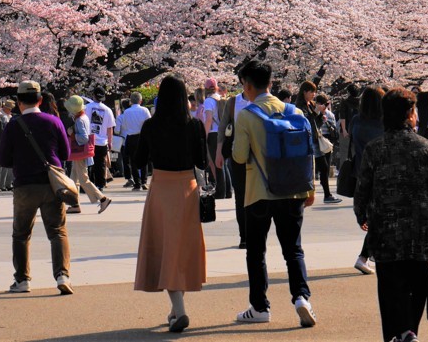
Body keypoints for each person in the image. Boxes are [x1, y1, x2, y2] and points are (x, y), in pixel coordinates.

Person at [354, 87, 428, 342]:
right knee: (417, 284)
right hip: (420, 227)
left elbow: (362, 188)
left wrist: (361, 215)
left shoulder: (374, 148)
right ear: (410, 114)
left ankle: (395, 335)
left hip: (385, 227)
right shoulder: (426, 147)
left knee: (389, 285)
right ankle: (410, 330)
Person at [231, 61, 317, 328]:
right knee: (294, 250)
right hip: (293, 191)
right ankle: (302, 298)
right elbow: (308, 152)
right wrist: (310, 186)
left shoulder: (247, 115)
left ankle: (259, 307)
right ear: (270, 82)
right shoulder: (296, 112)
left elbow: (240, 155)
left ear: (247, 85)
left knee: (256, 251)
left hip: (259, 193)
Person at [133, 75, 208, 333]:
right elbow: (202, 160)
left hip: (161, 189)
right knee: (181, 249)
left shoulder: (150, 126)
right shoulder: (195, 125)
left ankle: (180, 311)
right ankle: (176, 311)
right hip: (188, 189)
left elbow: (138, 161)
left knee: (166, 249)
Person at [0, 80, 74, 295]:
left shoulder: (13, 125)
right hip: (51, 184)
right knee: (57, 231)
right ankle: (62, 275)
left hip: (24, 185)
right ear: (40, 100)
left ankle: (22, 279)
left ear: (18, 102)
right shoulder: (53, 121)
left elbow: (3, 159)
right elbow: (65, 154)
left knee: (21, 234)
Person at [350, 86, 385, 275]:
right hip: (380, 173)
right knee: (379, 217)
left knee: (374, 217)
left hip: (360, 172)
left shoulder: (356, 120)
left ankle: (365, 256)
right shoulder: (383, 123)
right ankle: (363, 257)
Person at [216, 83, 251, 249]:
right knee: (241, 197)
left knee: (258, 197)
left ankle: (255, 233)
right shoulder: (233, 102)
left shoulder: (263, 101)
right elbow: (222, 127)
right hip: (238, 155)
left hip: (260, 156)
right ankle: (244, 236)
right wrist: (218, 152)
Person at [63, 95, 111, 215]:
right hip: (81, 153)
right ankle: (75, 204)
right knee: (74, 178)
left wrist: (72, 134)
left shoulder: (79, 120)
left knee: (83, 179)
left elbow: (83, 138)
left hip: (79, 153)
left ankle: (103, 199)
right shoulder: (83, 117)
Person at [298, 81, 342, 204]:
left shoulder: (310, 105)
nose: (314, 94)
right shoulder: (300, 106)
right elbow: (306, 122)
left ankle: (326, 194)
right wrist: (317, 113)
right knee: (318, 168)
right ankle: (316, 194)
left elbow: (315, 123)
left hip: (316, 141)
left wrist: (321, 117)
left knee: (323, 168)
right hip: (307, 141)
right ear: (305, 92)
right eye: (311, 91)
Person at [85, 87, 116, 191]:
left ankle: (89, 183)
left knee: (89, 163)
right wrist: (110, 142)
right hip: (102, 141)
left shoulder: (86, 108)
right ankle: (100, 184)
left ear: (93, 95)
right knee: (100, 164)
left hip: (89, 140)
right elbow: (110, 128)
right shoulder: (108, 110)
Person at [121, 91, 152, 190]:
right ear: (140, 100)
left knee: (133, 161)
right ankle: (144, 181)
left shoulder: (126, 112)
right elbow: (149, 123)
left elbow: (125, 125)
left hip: (130, 137)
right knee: (144, 159)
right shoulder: (145, 110)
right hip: (142, 136)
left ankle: (137, 183)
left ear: (131, 101)